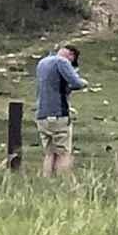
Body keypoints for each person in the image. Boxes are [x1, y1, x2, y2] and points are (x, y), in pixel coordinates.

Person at [32, 41, 85, 176]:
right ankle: (63, 184)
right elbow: (76, 83)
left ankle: (47, 182)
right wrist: (84, 82)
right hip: (58, 115)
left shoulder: (42, 63)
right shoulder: (62, 62)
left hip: (41, 115)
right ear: (71, 55)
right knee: (63, 153)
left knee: (49, 154)